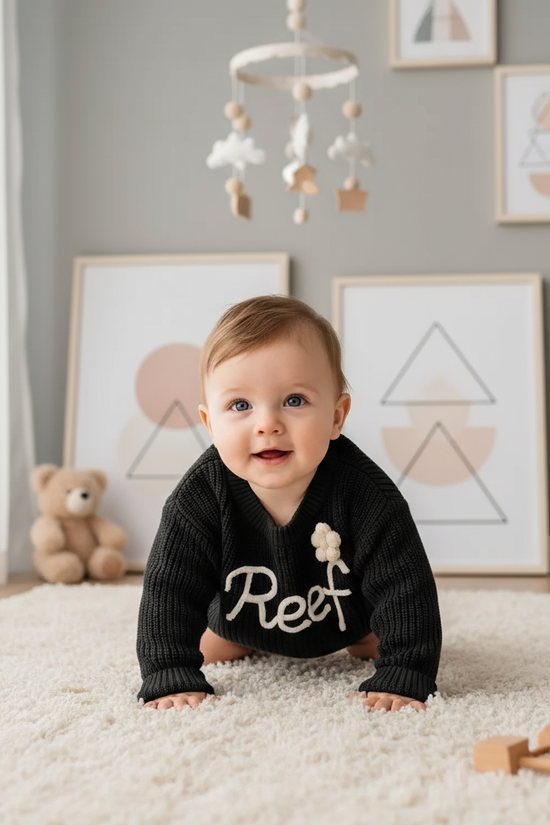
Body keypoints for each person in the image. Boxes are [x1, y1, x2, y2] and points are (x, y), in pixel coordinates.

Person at [137, 295, 442, 713]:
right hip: (240, 618)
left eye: (294, 400)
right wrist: (167, 670)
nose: (268, 424)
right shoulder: (199, 498)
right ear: (210, 424)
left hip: (346, 619)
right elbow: (169, 589)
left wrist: (406, 669)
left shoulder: (368, 495)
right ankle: (236, 637)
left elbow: (406, 586)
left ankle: (364, 637)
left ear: (337, 416)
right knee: (212, 646)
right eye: (240, 405)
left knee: (378, 635)